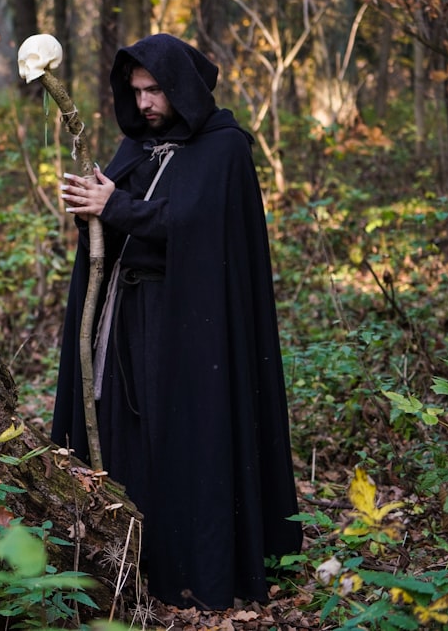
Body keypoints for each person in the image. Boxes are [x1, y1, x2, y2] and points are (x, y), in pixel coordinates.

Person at [51, 34, 303, 610]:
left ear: (182, 87)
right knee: (129, 434)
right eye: (136, 91)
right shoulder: (135, 147)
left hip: (195, 325)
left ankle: (198, 564)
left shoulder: (225, 149)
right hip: (131, 317)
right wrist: (92, 208)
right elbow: (114, 227)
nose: (144, 104)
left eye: (155, 90)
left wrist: (115, 206)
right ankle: (137, 562)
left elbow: (191, 224)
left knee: (190, 435)